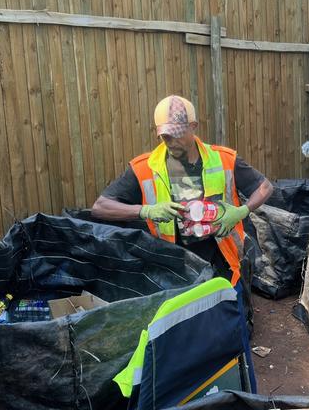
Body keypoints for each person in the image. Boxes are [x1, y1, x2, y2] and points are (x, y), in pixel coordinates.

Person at [92, 95, 273, 286]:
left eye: (177, 134)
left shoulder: (223, 159)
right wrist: (145, 211)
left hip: (224, 261)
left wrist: (241, 212)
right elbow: (100, 206)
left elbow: (265, 187)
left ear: (193, 126)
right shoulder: (144, 168)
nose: (171, 142)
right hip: (173, 266)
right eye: (165, 136)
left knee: (226, 311)